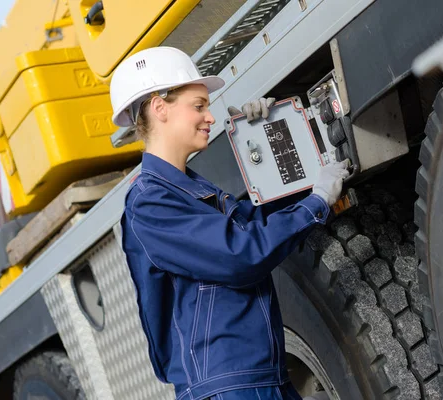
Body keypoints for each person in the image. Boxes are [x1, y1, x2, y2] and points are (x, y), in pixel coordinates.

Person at [111, 46, 349, 400]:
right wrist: (314, 204)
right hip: (228, 386)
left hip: (257, 376)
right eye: (198, 106)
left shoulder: (191, 189)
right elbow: (240, 255)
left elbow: (257, 225)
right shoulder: (150, 203)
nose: (210, 117)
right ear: (160, 108)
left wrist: (271, 134)